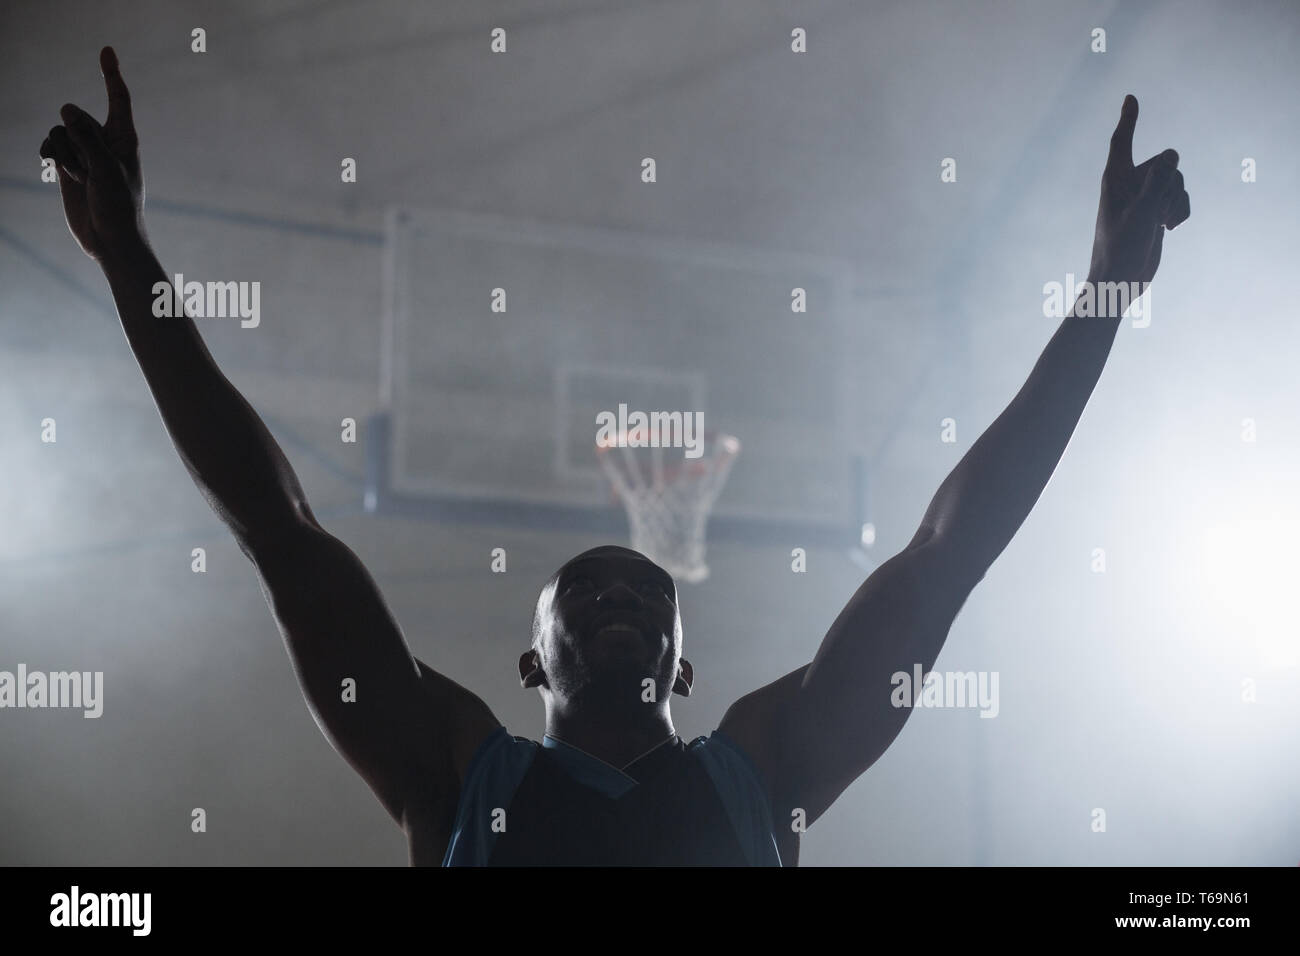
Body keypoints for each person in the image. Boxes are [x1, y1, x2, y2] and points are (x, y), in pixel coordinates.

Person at [40, 47, 1189, 866]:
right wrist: (128, 257)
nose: (615, 597)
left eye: (643, 588)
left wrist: (1101, 301)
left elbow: (946, 555)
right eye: (582, 589)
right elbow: (280, 530)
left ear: (686, 667)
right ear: (529, 664)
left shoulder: (766, 761)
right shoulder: (452, 770)